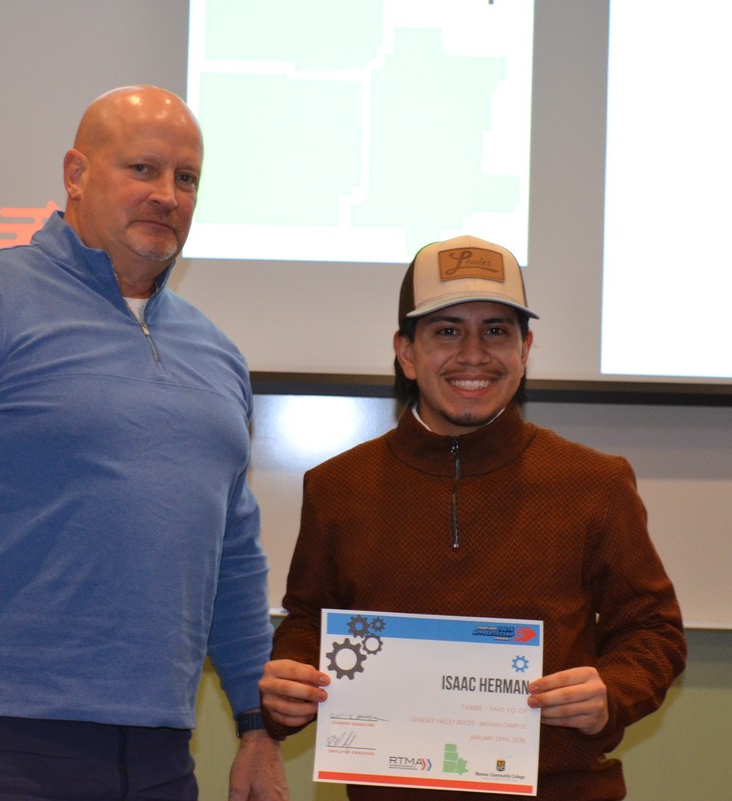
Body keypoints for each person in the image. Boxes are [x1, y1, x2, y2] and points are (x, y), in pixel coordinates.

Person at [0, 85, 286, 801]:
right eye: (143, 169)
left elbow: (232, 554)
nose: (167, 194)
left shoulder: (217, 353)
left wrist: (258, 728)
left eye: (186, 177)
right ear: (76, 174)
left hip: (163, 755)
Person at [258, 235, 686, 800]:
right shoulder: (338, 486)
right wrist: (291, 678)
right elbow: (309, 618)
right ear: (406, 353)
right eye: (446, 330)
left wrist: (612, 690)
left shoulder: (594, 483)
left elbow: (654, 630)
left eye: (496, 331)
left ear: (526, 348)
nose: (474, 354)